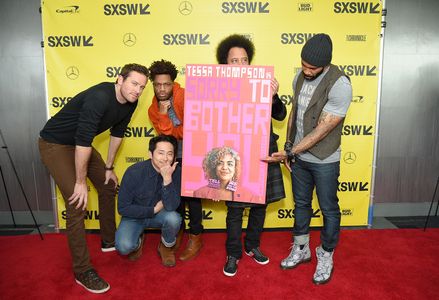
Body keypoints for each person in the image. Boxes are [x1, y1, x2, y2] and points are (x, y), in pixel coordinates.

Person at [38, 63, 149, 293]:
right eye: (134, 83)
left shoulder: (131, 101)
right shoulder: (100, 97)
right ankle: (82, 270)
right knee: (76, 202)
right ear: (119, 80)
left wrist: (108, 167)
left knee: (108, 184)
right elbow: (82, 141)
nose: (137, 90)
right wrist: (80, 183)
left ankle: (109, 241)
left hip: (81, 145)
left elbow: (117, 134)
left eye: (141, 87)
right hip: (55, 144)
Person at [267, 33, 352, 284]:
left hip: (325, 159)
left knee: (328, 209)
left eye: (312, 68)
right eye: (303, 65)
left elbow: (322, 130)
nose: (306, 70)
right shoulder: (299, 76)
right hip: (300, 157)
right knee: (301, 204)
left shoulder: (340, 84)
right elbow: (296, 110)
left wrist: (293, 152)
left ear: (325, 64)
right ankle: (301, 248)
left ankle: (326, 253)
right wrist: (289, 144)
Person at [215, 34, 287, 277]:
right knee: (235, 210)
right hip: (234, 157)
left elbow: (280, 115)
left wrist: (274, 95)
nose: (240, 65)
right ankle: (233, 253)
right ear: (225, 65)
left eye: (244, 60)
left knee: (259, 206)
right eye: (234, 61)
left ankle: (253, 245)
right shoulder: (216, 89)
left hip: (262, 153)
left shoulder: (264, 83)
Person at [147, 59, 204, 261]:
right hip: (174, 153)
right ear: (153, 84)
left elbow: (193, 128)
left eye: (167, 84)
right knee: (176, 194)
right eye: (158, 84)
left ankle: (196, 236)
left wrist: (174, 129)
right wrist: (164, 116)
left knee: (194, 196)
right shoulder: (153, 109)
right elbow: (167, 138)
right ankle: (178, 231)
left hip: (194, 150)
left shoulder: (185, 96)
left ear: (173, 83)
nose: (162, 89)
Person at [115, 135, 182, 267]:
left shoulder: (176, 172)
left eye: (170, 153)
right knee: (124, 246)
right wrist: (153, 210)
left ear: (174, 156)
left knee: (174, 219)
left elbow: (172, 206)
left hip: (161, 215)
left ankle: (165, 246)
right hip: (134, 216)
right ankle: (137, 241)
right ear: (150, 154)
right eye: (160, 153)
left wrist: (167, 179)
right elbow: (122, 208)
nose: (165, 158)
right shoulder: (134, 172)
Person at [194, 146, 258, 202]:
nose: (224, 167)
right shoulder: (200, 193)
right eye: (220, 163)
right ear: (213, 167)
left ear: (235, 168)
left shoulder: (249, 196)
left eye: (230, 164)